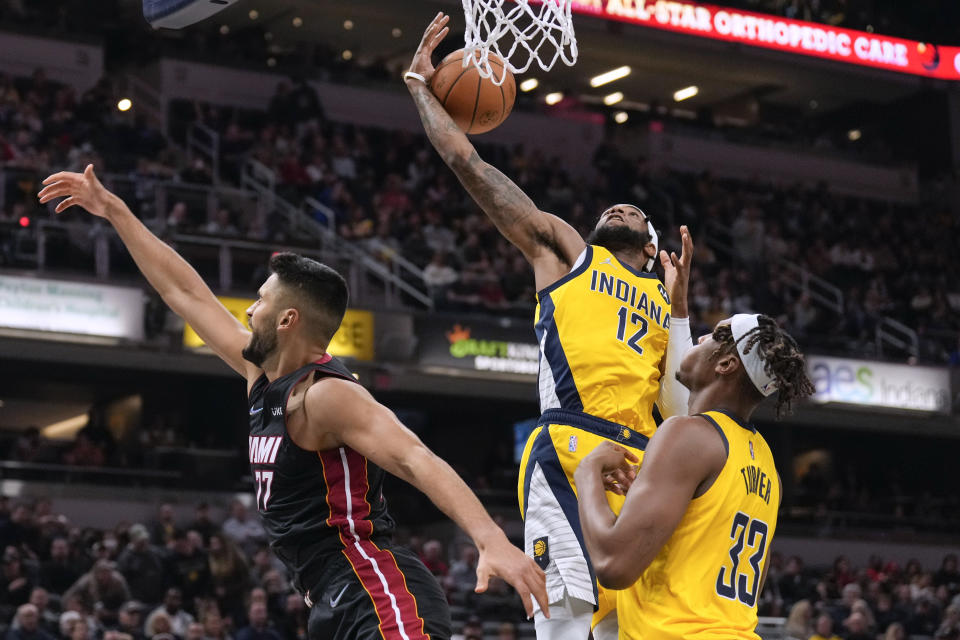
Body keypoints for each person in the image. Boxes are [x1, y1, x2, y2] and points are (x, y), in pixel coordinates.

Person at [38, 165, 547, 639]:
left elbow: (417, 458)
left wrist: (489, 538)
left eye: (260, 300)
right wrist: (117, 212)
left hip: (376, 589)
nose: (250, 308)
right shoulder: (260, 372)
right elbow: (184, 292)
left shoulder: (327, 396)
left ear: (287, 321)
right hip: (327, 599)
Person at [406, 14, 693, 640]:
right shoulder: (567, 252)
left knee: (629, 629)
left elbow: (684, 404)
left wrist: (682, 312)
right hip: (568, 451)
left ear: (650, 246)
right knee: (565, 623)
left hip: (642, 465)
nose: (619, 207)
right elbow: (469, 165)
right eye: (610, 208)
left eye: (634, 212)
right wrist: (421, 89)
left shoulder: (665, 295)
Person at [575, 314, 815, 639]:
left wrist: (587, 472)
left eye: (715, 334)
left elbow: (613, 565)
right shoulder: (769, 468)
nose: (701, 338)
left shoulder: (689, 435)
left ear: (726, 364)